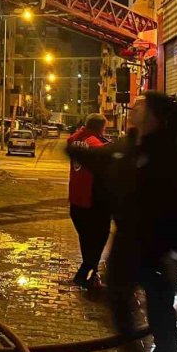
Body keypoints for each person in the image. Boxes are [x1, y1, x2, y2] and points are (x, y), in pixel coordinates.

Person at [66, 92, 177, 352]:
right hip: (127, 245)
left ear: (153, 114)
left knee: (161, 315)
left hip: (159, 248)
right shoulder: (126, 147)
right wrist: (72, 150)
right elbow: (100, 159)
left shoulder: (172, 154)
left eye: (140, 104)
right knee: (118, 300)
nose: (133, 107)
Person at [66, 113, 111, 289]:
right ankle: (86, 272)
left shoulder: (74, 139)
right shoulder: (96, 144)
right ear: (100, 128)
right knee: (99, 237)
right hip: (93, 203)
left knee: (87, 239)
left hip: (77, 202)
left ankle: (89, 274)